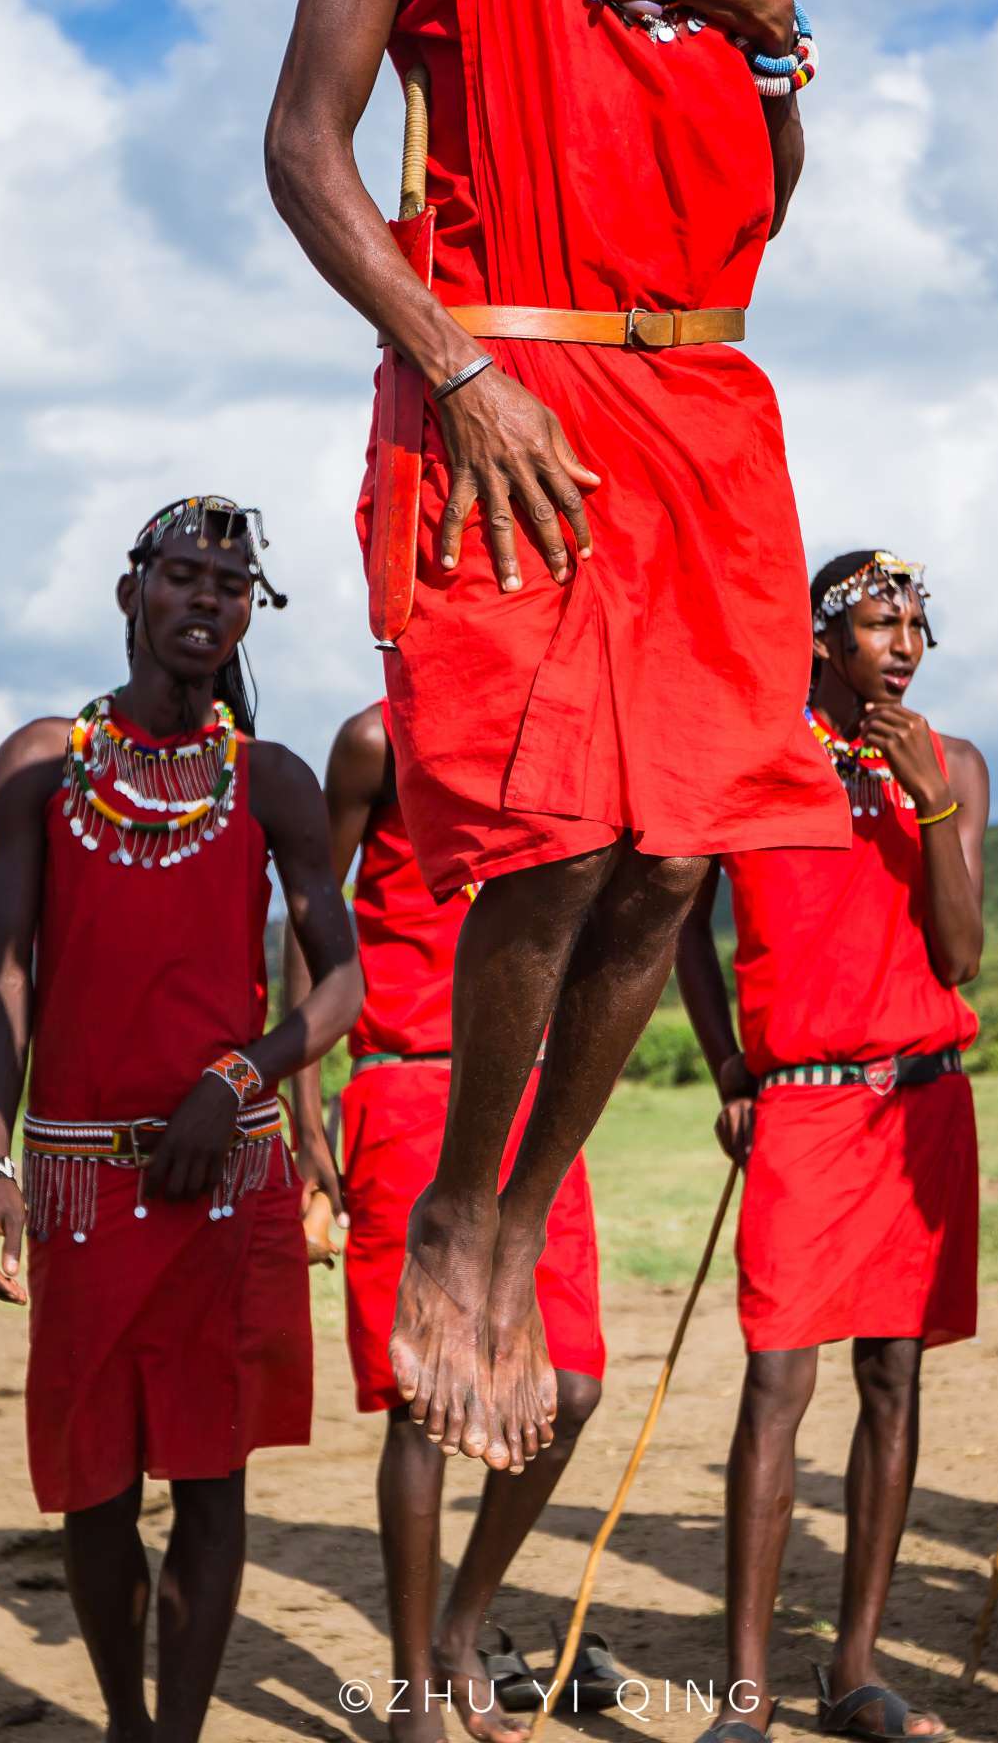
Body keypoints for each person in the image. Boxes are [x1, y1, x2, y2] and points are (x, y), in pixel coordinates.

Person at [266, 0, 848, 1469]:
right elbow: (302, 148)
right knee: (566, 824)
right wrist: (457, 369)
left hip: (707, 396)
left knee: (676, 857)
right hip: (504, 378)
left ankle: (517, 1219)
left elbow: (765, 196)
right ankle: (457, 1212)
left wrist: (776, 29)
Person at [0, 497, 362, 1743]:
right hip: (80, 1185)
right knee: (93, 1488)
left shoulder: (275, 782)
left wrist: (239, 1079)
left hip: (223, 1182)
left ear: (251, 613)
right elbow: (5, 968)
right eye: (183, 576)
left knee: (209, 1474)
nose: (207, 599)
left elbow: (341, 982)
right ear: (131, 595)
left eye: (231, 584)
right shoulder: (43, 763)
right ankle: (127, 1725)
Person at [673, 550, 987, 1742]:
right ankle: (746, 1694)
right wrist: (728, 1069)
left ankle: (851, 1666)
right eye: (877, 621)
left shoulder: (952, 764)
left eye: (916, 623)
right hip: (800, 1105)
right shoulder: (754, 754)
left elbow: (960, 959)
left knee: (893, 1378)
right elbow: (683, 931)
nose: (903, 643)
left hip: (921, 1106)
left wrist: (936, 808)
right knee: (776, 1383)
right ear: (820, 637)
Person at [289, 699, 612, 1742]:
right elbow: (304, 918)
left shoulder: (578, 731)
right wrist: (305, 1117)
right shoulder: (377, 743)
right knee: (422, 1398)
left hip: (530, 1099)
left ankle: (459, 1629)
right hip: (404, 1085)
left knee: (570, 1386)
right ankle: (412, 1698)